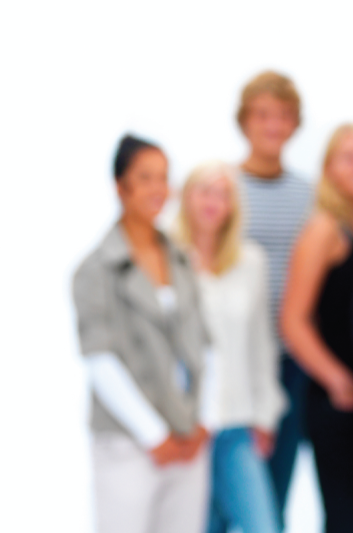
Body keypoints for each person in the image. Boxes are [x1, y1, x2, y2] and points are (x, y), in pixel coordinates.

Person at [74, 134, 213, 533]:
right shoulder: (95, 269)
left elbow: (206, 346)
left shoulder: (181, 258)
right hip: (130, 446)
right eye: (146, 177)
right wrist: (154, 436)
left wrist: (203, 421)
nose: (158, 189)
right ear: (121, 186)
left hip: (188, 440)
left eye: (164, 178)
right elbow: (100, 360)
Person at [280, 124, 353, 533]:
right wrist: (337, 380)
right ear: (329, 169)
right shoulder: (323, 230)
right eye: (350, 157)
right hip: (339, 405)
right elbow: (293, 320)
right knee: (342, 520)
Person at [173, 162, 287, 533]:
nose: (213, 201)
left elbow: (260, 345)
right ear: (187, 197)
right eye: (204, 190)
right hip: (186, 426)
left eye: (223, 193)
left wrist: (264, 416)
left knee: (263, 524)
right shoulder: (167, 261)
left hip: (237, 423)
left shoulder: (250, 261)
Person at [233, 70, 313, 524]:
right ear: (244, 121)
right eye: (262, 114)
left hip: (290, 360)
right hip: (235, 358)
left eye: (282, 115)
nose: (272, 125)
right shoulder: (223, 188)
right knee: (225, 485)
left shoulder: (307, 193)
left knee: (274, 491)